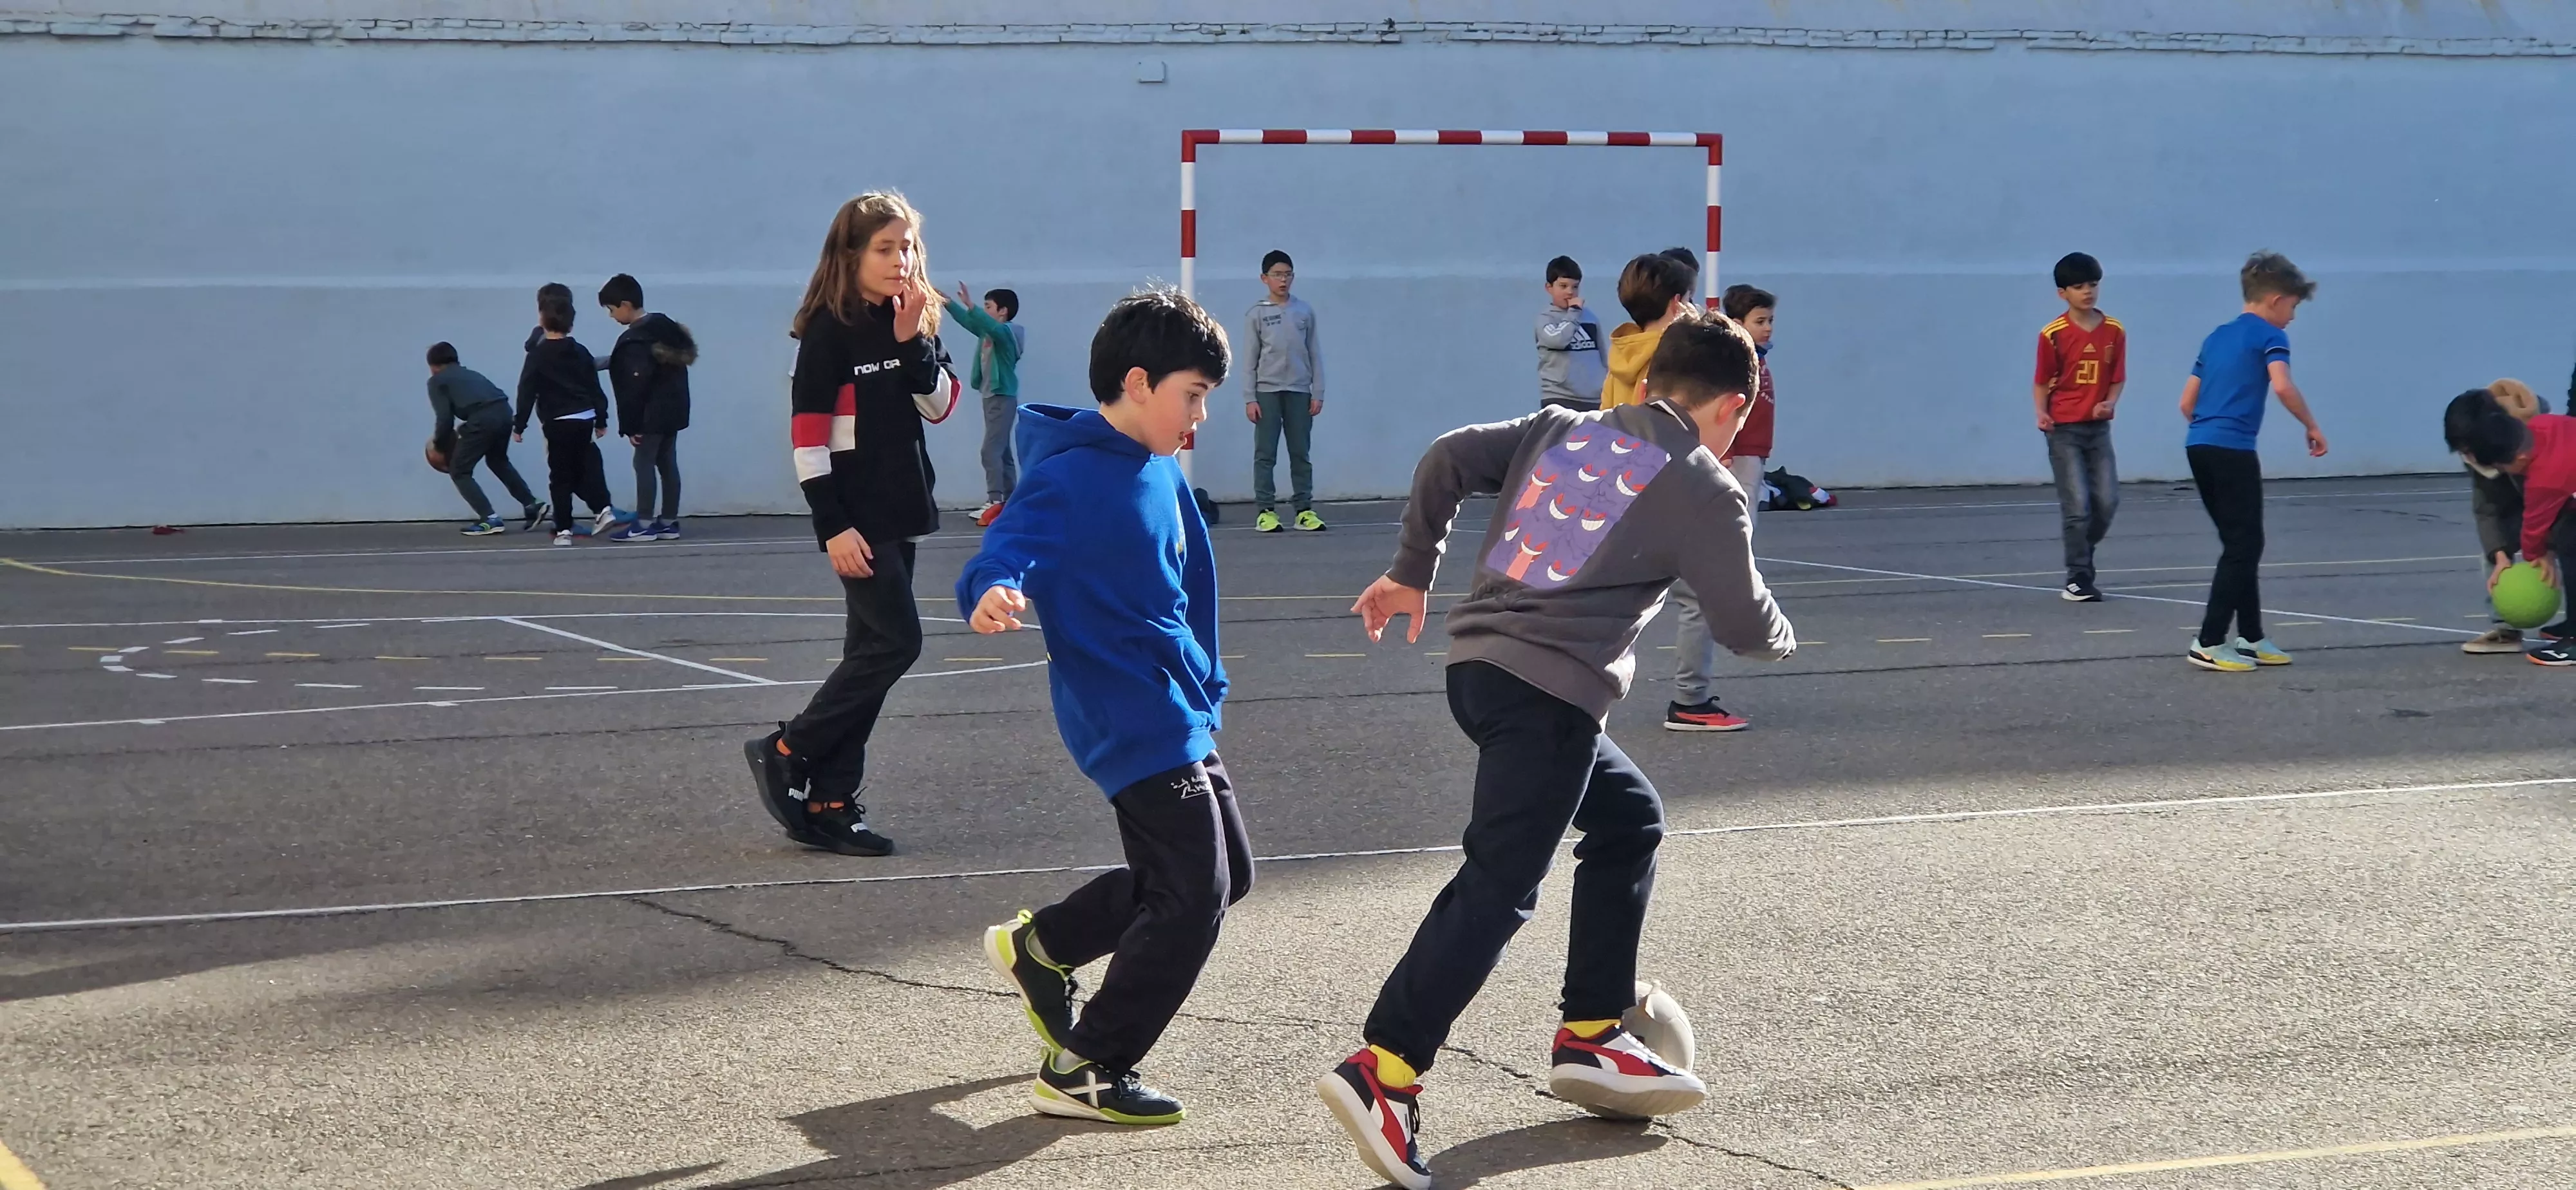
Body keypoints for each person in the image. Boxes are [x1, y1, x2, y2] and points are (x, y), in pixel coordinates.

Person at [1325, 311, 1795, 1189]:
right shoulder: (1701, 482)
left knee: (1629, 819)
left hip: (1480, 675)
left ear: (1649, 383)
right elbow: (1740, 623)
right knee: (1500, 886)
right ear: (1734, 405)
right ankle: (1384, 1069)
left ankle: (1591, 1032)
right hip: (1547, 701)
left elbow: (1446, 456)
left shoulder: (1564, 427)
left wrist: (1412, 568)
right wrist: (1783, 637)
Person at [961, 288, 1247, 1127]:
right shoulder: (1067, 476)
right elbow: (1004, 548)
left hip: (1176, 706)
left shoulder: (1160, 468)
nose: (1199, 417)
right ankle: (1089, 1064)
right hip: (1125, 715)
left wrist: (1207, 678)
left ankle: (1043, 946)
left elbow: (1193, 584)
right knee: (1192, 894)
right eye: (1193, 395)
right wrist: (992, 591)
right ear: (1138, 382)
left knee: (1226, 876)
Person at [740, 192, 946, 858]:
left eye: (907, 247)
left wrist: (913, 340)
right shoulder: (828, 331)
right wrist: (832, 525)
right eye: (885, 248)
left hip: (901, 509)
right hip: (856, 520)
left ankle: (830, 801)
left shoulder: (910, 318)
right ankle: (785, 749)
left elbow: (940, 405)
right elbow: (808, 439)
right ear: (851, 254)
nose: (900, 259)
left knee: (870, 656)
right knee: (897, 644)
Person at [2177, 251, 2327, 672]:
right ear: (2276, 300)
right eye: (2293, 307)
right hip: (2233, 450)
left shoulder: (2217, 337)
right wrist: (2311, 425)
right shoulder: (2270, 336)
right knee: (2244, 545)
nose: (2293, 317)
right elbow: (2282, 386)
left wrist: (2212, 427)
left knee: (2239, 543)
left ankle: (2251, 636)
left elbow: (2187, 402)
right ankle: (2209, 641)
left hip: (2199, 444)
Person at [1664, 282, 1781, 732]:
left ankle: (1690, 695)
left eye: (1770, 321)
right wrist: (1721, 456)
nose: (1767, 328)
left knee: (1703, 588)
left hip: (1745, 463)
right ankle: (1689, 699)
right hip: (1731, 465)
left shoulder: (1751, 361)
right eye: (1759, 321)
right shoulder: (1725, 365)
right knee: (1700, 591)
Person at [2446, 384, 2576, 664]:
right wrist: (2499, 553)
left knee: (2569, 544)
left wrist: (2539, 552)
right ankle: (2507, 630)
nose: (2469, 458)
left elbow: (2538, 516)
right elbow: (2487, 508)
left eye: (2469, 450)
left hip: (2553, 502)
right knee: (2499, 551)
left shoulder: (2541, 468)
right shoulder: (2535, 430)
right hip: (2541, 503)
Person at [2034, 252, 2128, 601]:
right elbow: (2042, 380)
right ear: (2063, 294)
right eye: (2078, 287)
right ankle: (2078, 577)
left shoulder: (2114, 330)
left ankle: (2082, 549)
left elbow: (2117, 377)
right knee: (2078, 505)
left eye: (2092, 285)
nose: (2087, 292)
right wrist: (2041, 412)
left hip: (2098, 430)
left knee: (2107, 501)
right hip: (2064, 429)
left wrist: (2110, 403)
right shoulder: (2053, 334)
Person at [512, 294, 625, 545]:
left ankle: (564, 530)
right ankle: (603, 509)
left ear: (542, 321)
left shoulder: (538, 355)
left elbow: (527, 390)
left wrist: (519, 425)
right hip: (584, 418)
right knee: (586, 465)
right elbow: (594, 387)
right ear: (571, 325)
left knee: (560, 476)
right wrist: (601, 419)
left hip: (557, 421)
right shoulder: (580, 352)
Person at [597, 274, 697, 543]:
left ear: (626, 305)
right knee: (667, 464)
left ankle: (642, 524)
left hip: (649, 415)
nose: (611, 316)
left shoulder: (635, 339)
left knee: (643, 463)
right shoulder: (665, 327)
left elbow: (634, 386)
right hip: (674, 411)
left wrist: (631, 426)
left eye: (611, 309)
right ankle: (668, 522)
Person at [1242, 249, 1327, 532]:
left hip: (1299, 391)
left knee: (1300, 453)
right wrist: (1250, 398)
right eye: (1277, 275)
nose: (1283, 280)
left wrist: (1318, 392)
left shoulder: (1304, 311)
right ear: (1264, 278)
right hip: (1267, 393)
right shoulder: (1257, 314)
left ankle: (1304, 510)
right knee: (1265, 453)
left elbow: (1314, 353)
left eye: (1288, 275)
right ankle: (1266, 511)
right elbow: (1250, 360)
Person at [424, 342, 545, 535]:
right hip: (504, 413)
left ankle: (490, 519)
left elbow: (445, 419)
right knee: (498, 461)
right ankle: (532, 504)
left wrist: (439, 445)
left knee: (459, 471)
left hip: (483, 419)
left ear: (433, 366)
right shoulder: (471, 374)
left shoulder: (437, 381)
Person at [945, 282, 1027, 527]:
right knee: (1002, 452)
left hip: (1002, 397)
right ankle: (1011, 500)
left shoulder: (1008, 334)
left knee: (990, 451)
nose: (984, 310)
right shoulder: (988, 333)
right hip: (991, 397)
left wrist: (971, 306)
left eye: (988, 306)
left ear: (1003, 311)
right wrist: (947, 303)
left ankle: (995, 500)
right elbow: (969, 322)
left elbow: (990, 326)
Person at [1596, 252, 1696, 410]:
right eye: (1688, 298)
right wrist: (1696, 329)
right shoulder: (1679, 353)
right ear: (1677, 302)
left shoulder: (1623, 350)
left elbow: (1605, 414)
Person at [1535, 256, 1605, 411]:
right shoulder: (1546, 319)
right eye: (1563, 286)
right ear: (1549, 288)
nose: (1570, 292)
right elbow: (1558, 340)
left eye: (1575, 287)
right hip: (1559, 398)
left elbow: (1602, 356)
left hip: (1595, 400)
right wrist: (1574, 313)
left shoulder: (1590, 317)